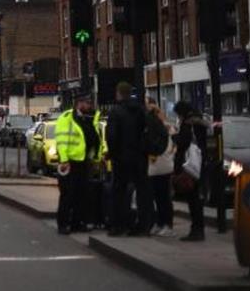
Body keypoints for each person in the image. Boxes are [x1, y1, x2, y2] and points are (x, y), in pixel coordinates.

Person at [105, 81, 154, 236]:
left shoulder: (115, 111)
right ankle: (143, 225)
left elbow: (112, 136)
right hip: (139, 157)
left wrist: (111, 154)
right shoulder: (140, 110)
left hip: (121, 157)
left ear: (118, 93)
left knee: (119, 191)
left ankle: (119, 225)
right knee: (142, 191)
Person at [54, 91, 101, 235]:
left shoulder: (90, 118)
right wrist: (64, 160)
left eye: (90, 103)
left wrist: (95, 159)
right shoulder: (67, 118)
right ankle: (63, 224)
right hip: (69, 162)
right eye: (87, 103)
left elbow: (95, 139)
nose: (89, 106)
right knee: (67, 194)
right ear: (79, 103)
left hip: (84, 161)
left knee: (82, 194)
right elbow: (62, 141)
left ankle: (77, 222)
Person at [173, 100, 208, 242]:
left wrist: (174, 136)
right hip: (198, 164)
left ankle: (197, 230)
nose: (178, 118)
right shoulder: (199, 122)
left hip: (189, 166)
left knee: (193, 200)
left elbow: (183, 143)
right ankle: (198, 229)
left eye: (178, 115)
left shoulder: (188, 124)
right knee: (196, 199)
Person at [145, 100, 177, 237]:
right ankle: (161, 223)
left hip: (160, 165)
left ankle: (166, 224)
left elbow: (171, 146)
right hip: (161, 165)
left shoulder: (165, 128)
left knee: (162, 197)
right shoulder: (165, 127)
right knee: (160, 197)